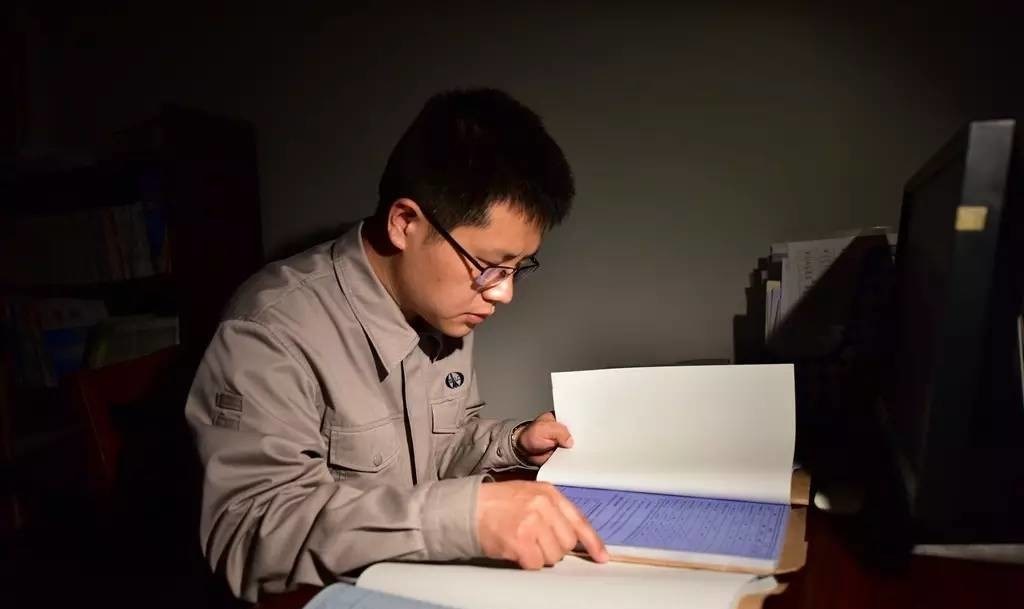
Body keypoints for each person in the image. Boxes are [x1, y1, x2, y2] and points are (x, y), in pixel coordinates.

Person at [185, 88, 608, 602]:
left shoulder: (446, 308)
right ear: (405, 223)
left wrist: (514, 443)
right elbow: (249, 535)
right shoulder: (271, 329)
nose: (503, 293)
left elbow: (441, 445)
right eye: (489, 266)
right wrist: (462, 517)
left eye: (518, 268)